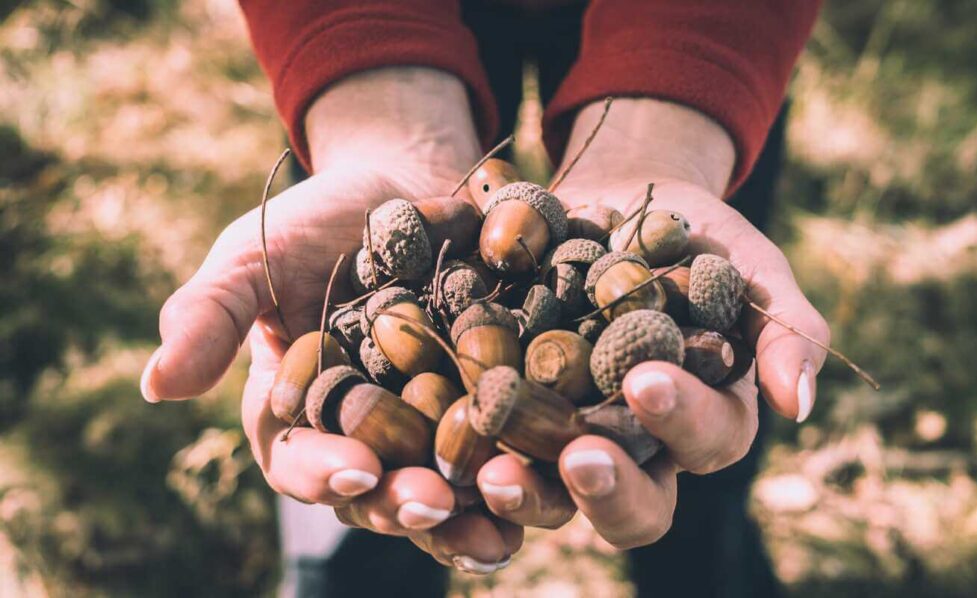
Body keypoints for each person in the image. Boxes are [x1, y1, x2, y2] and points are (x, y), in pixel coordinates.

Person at [140, 1, 829, 595]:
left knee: (684, 449)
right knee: (359, 499)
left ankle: (707, 565)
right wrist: (372, 105)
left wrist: (676, 125)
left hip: (707, 50)